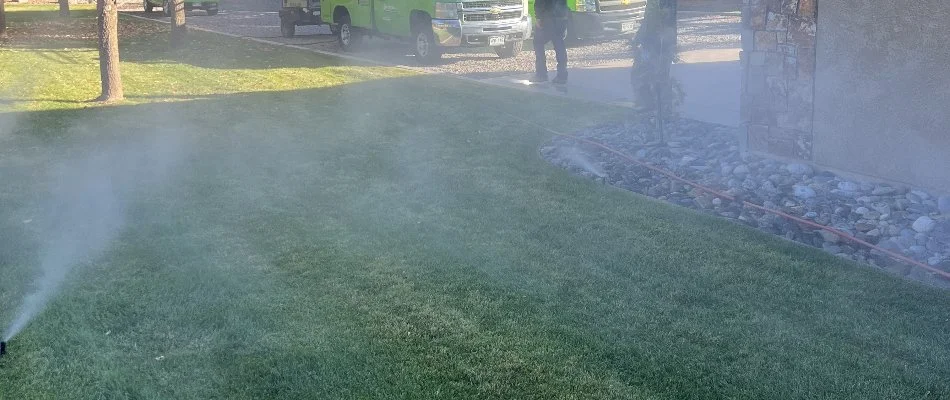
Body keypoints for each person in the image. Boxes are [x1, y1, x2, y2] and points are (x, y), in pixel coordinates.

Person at [531, 0, 569, 84]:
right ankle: (562, 74)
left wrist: (538, 17)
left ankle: (541, 74)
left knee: (538, 42)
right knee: (559, 44)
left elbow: (540, 2)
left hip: (548, 16)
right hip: (561, 15)